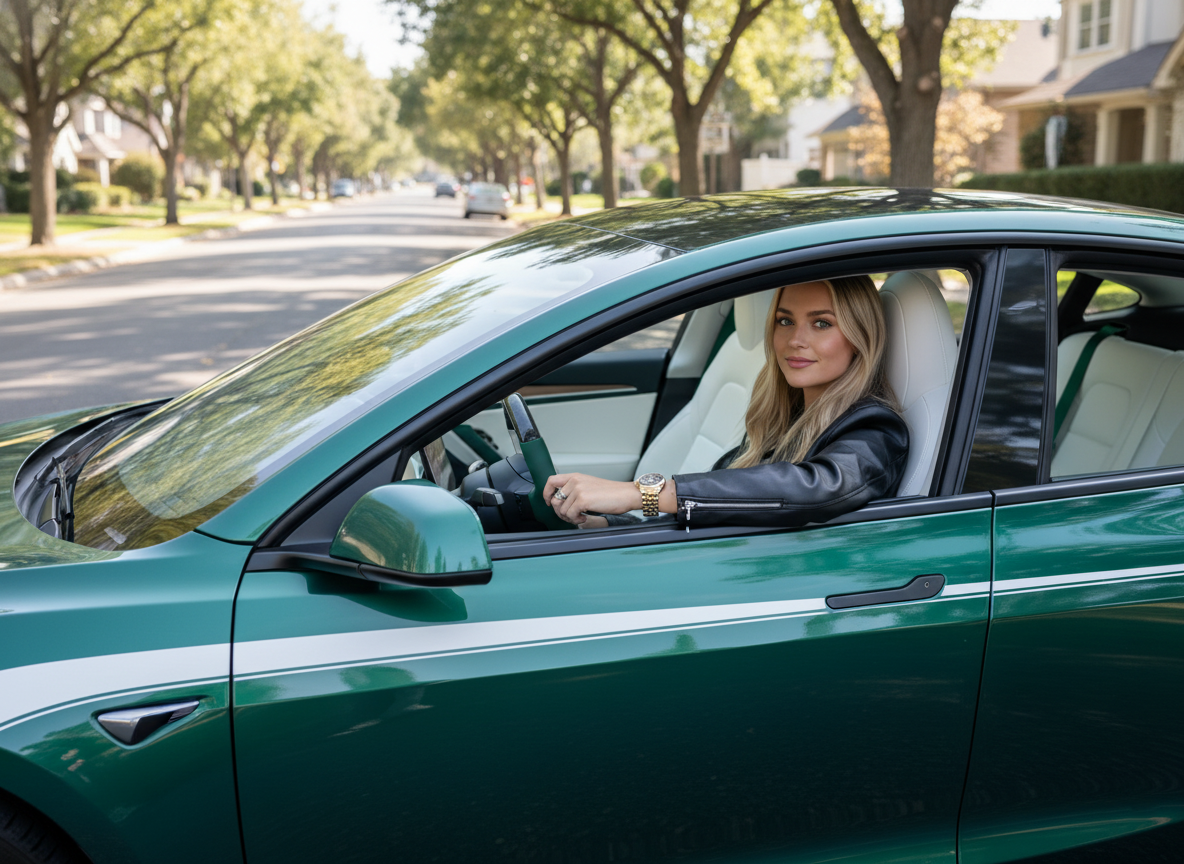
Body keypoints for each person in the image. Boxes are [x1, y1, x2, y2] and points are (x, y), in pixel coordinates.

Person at [542, 277, 910, 529]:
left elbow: (816, 488)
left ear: (861, 336)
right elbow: (716, 505)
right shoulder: (783, 422)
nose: (795, 339)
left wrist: (638, 493)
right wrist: (604, 523)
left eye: (822, 324)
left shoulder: (874, 430)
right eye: (785, 320)